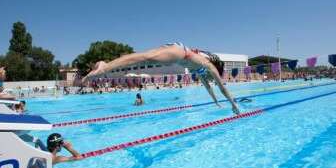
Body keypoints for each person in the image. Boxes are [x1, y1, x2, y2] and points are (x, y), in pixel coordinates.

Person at [83, 43, 240, 114]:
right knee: (144, 57)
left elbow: (209, 88)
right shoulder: (209, 66)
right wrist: (233, 105)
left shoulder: (202, 69)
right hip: (179, 52)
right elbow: (222, 88)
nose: (214, 78)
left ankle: (105, 65)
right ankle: (104, 66)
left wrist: (216, 102)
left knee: (144, 58)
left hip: (176, 53)